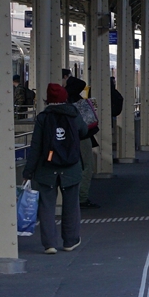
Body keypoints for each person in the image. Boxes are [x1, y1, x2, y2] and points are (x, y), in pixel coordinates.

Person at [21, 83, 83, 254]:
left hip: (46, 168)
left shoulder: (42, 118)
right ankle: (70, 241)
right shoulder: (74, 114)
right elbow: (84, 131)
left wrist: (28, 172)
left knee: (46, 206)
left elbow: (36, 147)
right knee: (71, 205)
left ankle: (49, 244)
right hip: (71, 168)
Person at [66, 76, 100, 207]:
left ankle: (76, 196)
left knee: (78, 166)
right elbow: (81, 83)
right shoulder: (73, 97)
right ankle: (82, 197)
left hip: (71, 137)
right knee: (87, 166)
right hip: (81, 137)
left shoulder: (65, 98)